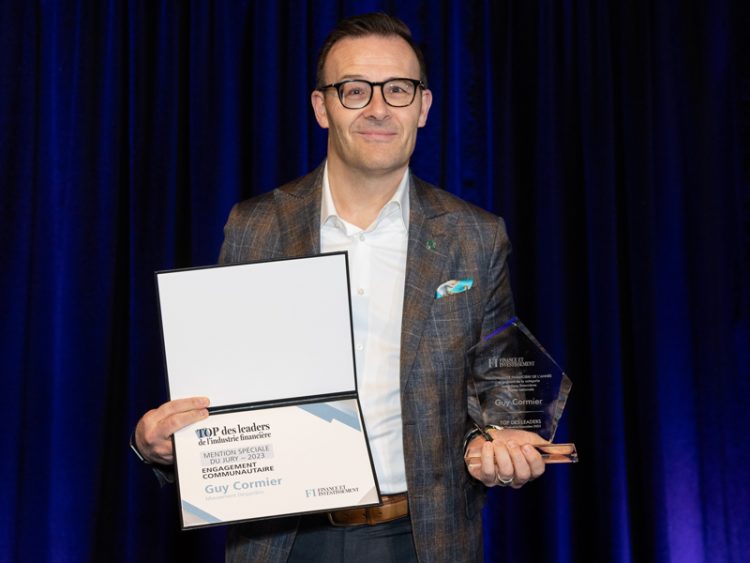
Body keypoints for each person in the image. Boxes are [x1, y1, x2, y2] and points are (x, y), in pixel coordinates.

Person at [131, 12, 548, 562]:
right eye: (355, 90)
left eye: (398, 89)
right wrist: (160, 447)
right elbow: (225, 400)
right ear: (322, 107)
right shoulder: (256, 226)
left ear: (423, 107)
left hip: (423, 540)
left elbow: (501, 386)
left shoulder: (474, 236)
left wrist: (506, 438)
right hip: (281, 542)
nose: (378, 108)